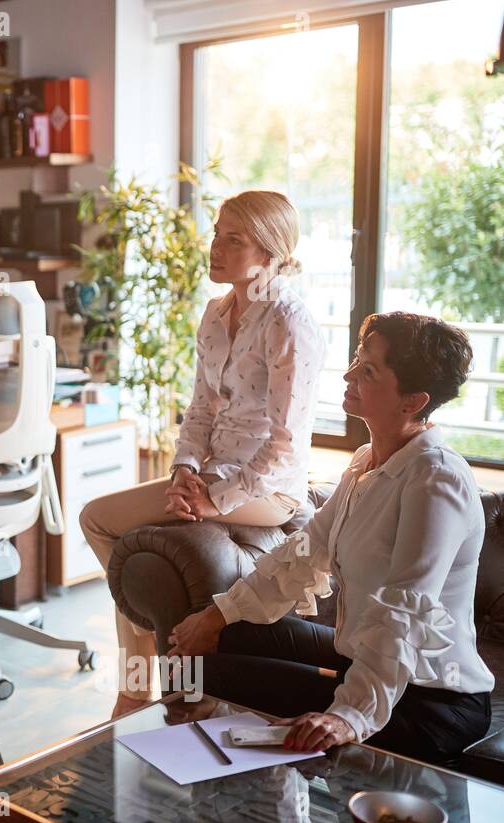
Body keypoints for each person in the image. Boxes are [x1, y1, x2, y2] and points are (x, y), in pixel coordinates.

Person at [168, 312, 494, 763]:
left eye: (368, 370)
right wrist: (217, 616)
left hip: (430, 700)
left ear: (413, 401)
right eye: (357, 360)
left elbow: (404, 610)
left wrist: (350, 715)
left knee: (203, 672)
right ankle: (201, 776)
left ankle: (225, 797)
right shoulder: (365, 462)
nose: (348, 374)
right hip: (359, 659)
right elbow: (302, 552)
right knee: (214, 636)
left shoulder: (435, 479)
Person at [80, 190, 324, 716]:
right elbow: (200, 412)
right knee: (112, 532)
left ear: (270, 252)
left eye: (233, 239)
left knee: (97, 519)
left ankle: (133, 689)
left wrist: (217, 500)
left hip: (269, 492)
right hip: (209, 475)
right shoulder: (216, 313)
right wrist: (184, 471)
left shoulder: (290, 322)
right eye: (216, 233)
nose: (215, 247)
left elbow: (286, 443)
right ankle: (140, 682)